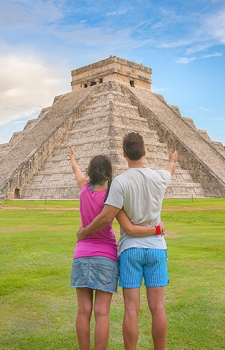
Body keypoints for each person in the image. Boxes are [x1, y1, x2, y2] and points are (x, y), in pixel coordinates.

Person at [76, 133, 177, 350]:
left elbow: (106, 216)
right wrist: (172, 160)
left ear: (123, 154)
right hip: (156, 248)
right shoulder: (160, 177)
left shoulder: (119, 183)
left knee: (131, 308)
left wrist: (84, 231)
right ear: (144, 152)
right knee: (158, 307)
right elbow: (170, 170)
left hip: (130, 249)